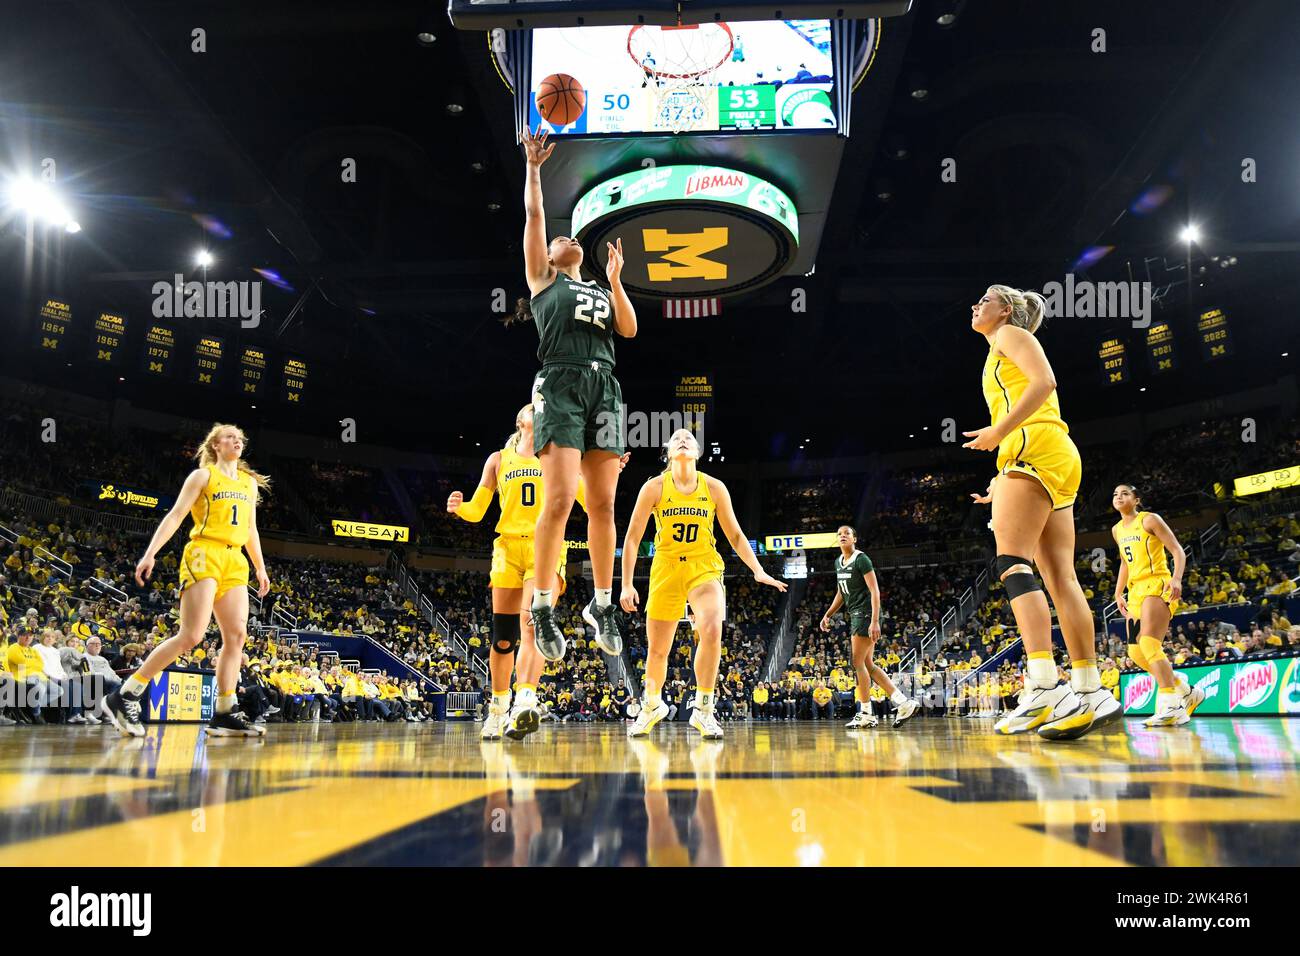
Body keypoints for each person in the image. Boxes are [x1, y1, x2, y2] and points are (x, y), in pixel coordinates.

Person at [964, 285, 1118, 740]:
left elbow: (1045, 383)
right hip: (1051, 454)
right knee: (1061, 577)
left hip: (1033, 446)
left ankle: (1044, 683)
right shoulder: (1001, 346)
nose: (976, 305)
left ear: (1005, 310)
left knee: (1012, 560)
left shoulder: (1010, 336)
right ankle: (1090, 689)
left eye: (983, 300)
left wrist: (999, 433)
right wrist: (1002, 482)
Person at [512, 126, 637, 667]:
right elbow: (536, 219)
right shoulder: (544, 280)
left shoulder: (598, 286)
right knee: (561, 500)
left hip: (605, 386)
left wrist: (616, 280)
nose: (566, 237)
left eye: (570, 238)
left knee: (605, 503)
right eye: (562, 239)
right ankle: (542, 605)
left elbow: (629, 330)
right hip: (560, 383)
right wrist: (534, 169)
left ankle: (602, 604)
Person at [449, 404, 627, 741]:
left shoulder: (560, 460)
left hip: (546, 547)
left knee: (532, 622)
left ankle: (525, 699)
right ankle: (498, 707)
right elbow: (477, 510)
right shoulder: (498, 460)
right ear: (522, 421)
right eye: (537, 409)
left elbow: (594, 504)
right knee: (503, 638)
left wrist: (608, 473)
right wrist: (461, 509)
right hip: (507, 549)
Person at [103, 424, 271, 738]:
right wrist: (151, 552)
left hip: (235, 559)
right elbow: (176, 515)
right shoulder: (203, 476)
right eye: (230, 437)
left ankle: (224, 711)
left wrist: (260, 567)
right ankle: (125, 694)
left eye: (240, 437)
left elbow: (251, 530)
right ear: (215, 445)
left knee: (236, 636)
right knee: (192, 634)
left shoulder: (249, 483)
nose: (237, 440)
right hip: (204, 551)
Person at [620, 429, 787, 741]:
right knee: (658, 650)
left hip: (704, 567)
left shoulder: (714, 487)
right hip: (666, 569)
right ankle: (652, 705)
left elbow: (735, 535)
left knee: (711, 628)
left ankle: (704, 709)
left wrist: (758, 570)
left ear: (697, 451)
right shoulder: (654, 487)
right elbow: (631, 538)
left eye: (688, 438)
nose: (683, 438)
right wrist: (627, 583)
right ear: (668, 452)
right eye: (677, 437)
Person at [1112, 484, 1205, 726]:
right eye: (1115, 494)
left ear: (1136, 499)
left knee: (1149, 642)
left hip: (1157, 583)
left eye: (1124, 493)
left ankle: (1172, 705)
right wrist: (1118, 592)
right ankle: (1184, 689)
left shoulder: (1150, 520)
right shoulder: (1116, 530)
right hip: (1135, 590)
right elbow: (1124, 562)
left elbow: (1177, 550)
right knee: (1134, 651)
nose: (1119, 497)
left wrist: (1176, 578)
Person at [820, 525, 919, 730]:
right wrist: (828, 614)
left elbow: (875, 591)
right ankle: (903, 702)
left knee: (857, 662)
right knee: (868, 665)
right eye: (839, 534)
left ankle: (866, 713)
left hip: (865, 615)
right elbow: (841, 592)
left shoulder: (861, 559)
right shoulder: (838, 562)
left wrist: (875, 621)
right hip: (855, 614)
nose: (842, 536)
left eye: (847, 533)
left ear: (855, 538)